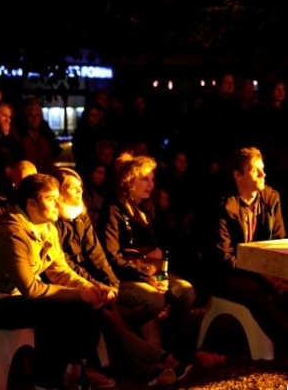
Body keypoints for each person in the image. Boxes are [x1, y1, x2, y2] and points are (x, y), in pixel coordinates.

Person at [0, 173, 115, 390]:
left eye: (58, 197)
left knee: (89, 305)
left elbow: (60, 271)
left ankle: (77, 369)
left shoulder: (47, 227)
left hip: (18, 297)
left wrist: (88, 288)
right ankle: (45, 383)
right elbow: (31, 288)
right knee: (53, 313)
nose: (58, 203)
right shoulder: (13, 232)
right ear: (31, 203)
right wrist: (78, 294)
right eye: (50, 199)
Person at [53, 167, 191, 386]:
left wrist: (111, 284)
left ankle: (154, 363)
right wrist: (100, 286)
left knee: (177, 293)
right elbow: (66, 264)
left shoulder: (80, 214)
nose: (80, 192)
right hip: (74, 285)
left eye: (81, 187)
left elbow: (97, 255)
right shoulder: (56, 221)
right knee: (111, 317)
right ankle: (158, 360)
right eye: (73, 188)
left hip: (101, 281)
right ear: (58, 193)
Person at [97, 152, 196, 362]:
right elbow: (112, 258)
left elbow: (165, 242)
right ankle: (127, 334)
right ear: (129, 181)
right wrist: (147, 277)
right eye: (144, 178)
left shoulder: (149, 207)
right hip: (126, 276)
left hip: (153, 271)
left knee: (185, 291)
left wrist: (160, 254)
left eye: (152, 178)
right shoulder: (113, 210)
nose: (150, 184)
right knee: (155, 300)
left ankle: (171, 339)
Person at [203, 146, 288, 354]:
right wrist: (261, 273)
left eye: (263, 169)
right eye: (255, 170)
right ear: (237, 175)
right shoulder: (223, 205)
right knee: (256, 292)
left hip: (263, 269)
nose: (263, 174)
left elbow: (278, 242)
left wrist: (277, 273)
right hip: (228, 273)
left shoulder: (270, 198)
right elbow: (222, 257)